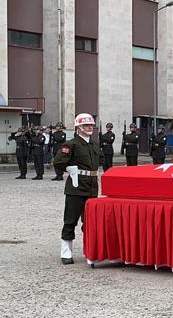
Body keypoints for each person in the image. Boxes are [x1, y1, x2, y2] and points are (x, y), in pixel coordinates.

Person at [54, 113, 104, 265]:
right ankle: (66, 251)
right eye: (86, 126)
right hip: (76, 188)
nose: (90, 128)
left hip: (92, 187)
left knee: (90, 222)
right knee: (70, 220)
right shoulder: (71, 144)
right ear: (79, 128)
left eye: (91, 125)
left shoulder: (94, 144)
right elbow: (58, 162)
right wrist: (71, 169)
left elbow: (100, 160)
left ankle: (89, 250)